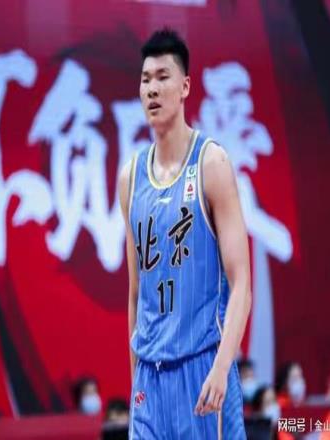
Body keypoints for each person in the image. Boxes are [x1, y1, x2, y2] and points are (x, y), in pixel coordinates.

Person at [118, 28, 251, 439]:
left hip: (203, 369)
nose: (152, 89)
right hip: (149, 380)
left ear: (185, 87)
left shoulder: (211, 164)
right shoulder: (130, 178)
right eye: (145, 79)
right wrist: (136, 380)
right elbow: (136, 292)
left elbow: (241, 283)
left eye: (163, 77)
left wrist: (222, 367)